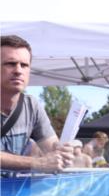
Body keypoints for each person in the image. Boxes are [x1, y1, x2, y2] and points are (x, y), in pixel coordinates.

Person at [1, 35, 73, 173]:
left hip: (16, 193)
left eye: (24, 65)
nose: (18, 70)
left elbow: (52, 148)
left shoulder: (31, 105)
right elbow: (42, 162)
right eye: (10, 63)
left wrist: (63, 153)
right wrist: (37, 163)